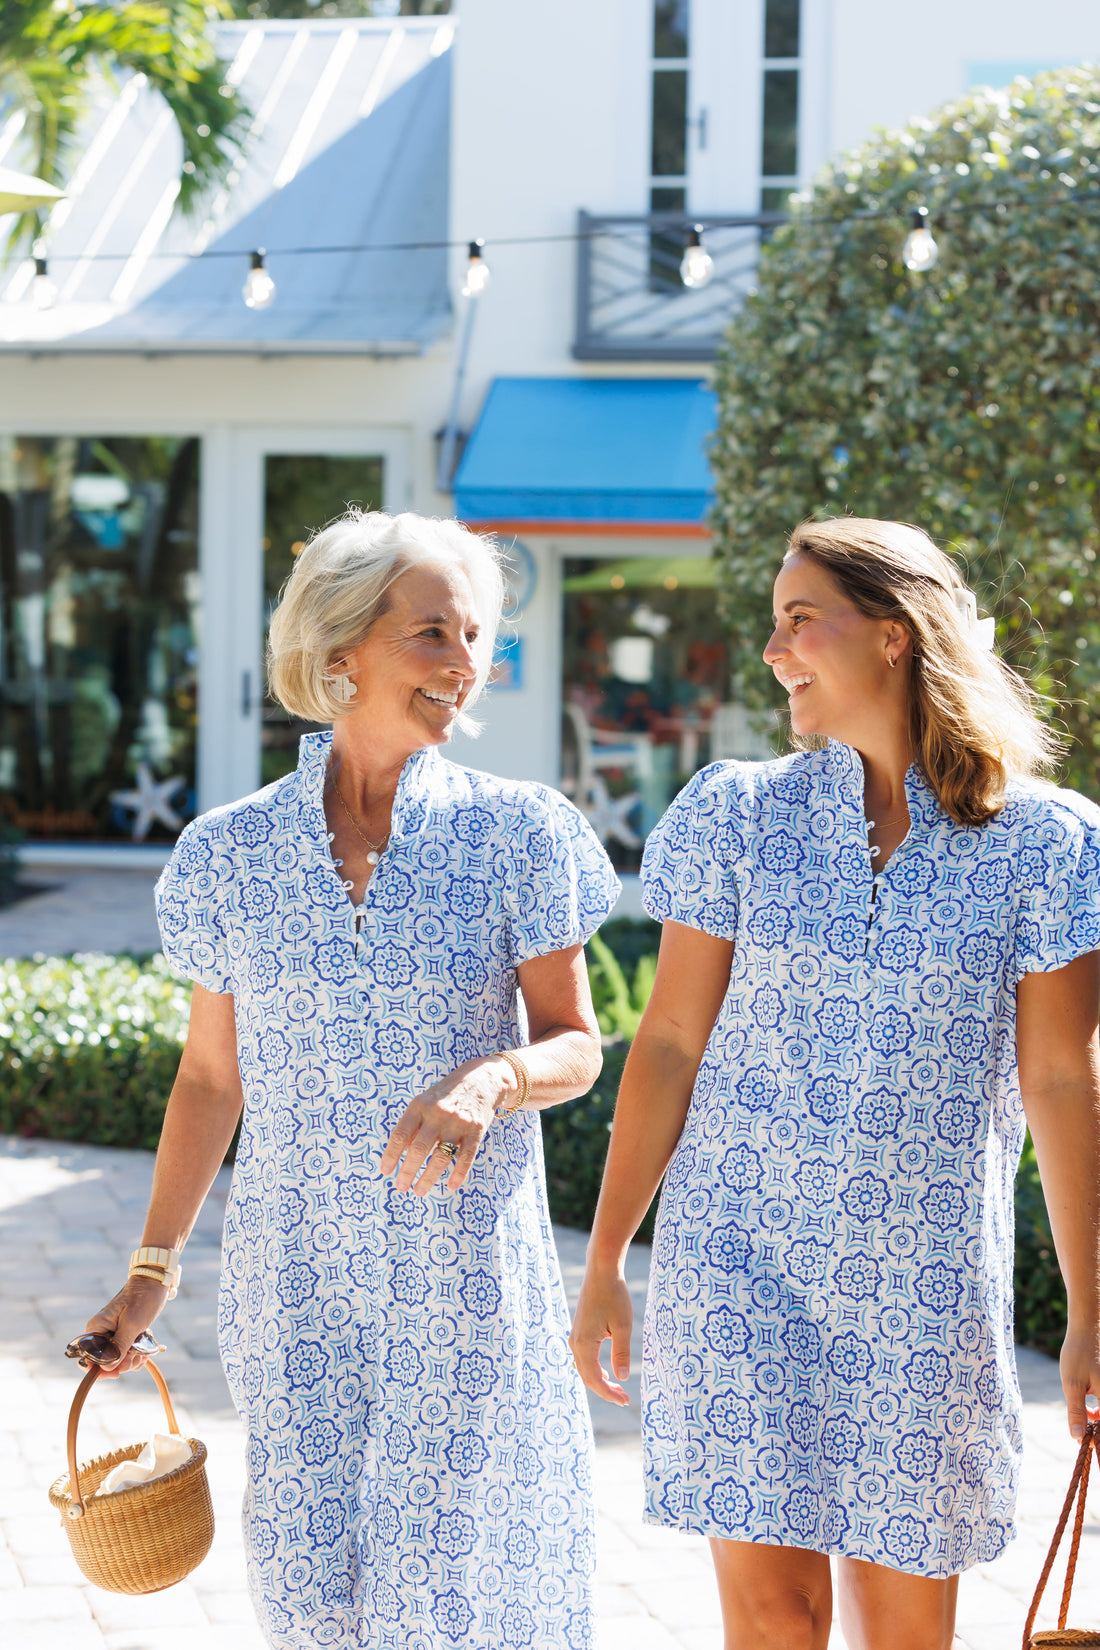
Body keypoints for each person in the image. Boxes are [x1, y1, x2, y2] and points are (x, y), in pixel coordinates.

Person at [83, 511, 620, 1649]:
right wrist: (148, 1274)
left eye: (476, 634)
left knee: (446, 1599)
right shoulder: (229, 854)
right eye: (432, 630)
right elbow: (209, 1082)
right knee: (310, 1599)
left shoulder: (519, 833)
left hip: (462, 1279)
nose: (465, 661)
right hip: (294, 1288)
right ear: (341, 651)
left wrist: (493, 1078)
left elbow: (577, 1041)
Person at [571, 517, 1100, 1650]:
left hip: (921, 1288)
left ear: (896, 637)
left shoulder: (1046, 845)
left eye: (798, 621)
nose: (772, 652)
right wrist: (608, 1257)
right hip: (737, 1266)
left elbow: (1061, 1079)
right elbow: (665, 1045)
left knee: (902, 1628)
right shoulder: (735, 814)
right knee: (771, 1621)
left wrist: (1089, 1305)